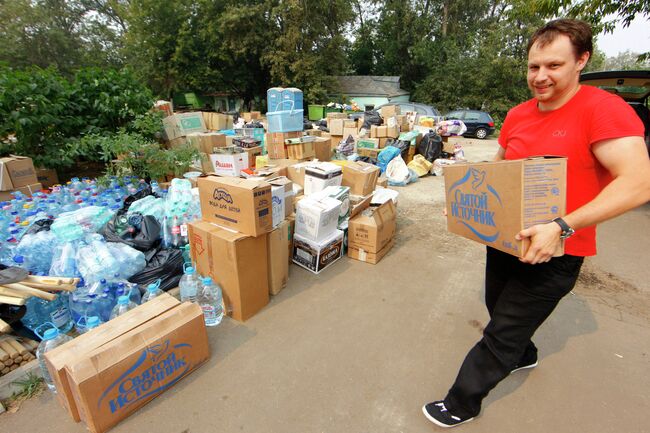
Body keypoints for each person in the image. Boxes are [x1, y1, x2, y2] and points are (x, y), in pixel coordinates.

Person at [423, 18, 650, 428]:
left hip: (557, 248)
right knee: (496, 306)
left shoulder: (603, 110)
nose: (540, 77)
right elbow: (500, 170)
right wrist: (466, 203)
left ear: (582, 60)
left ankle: (461, 401)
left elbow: (639, 183)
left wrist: (561, 225)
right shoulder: (518, 115)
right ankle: (524, 355)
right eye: (533, 67)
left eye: (554, 66)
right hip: (509, 240)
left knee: (503, 330)